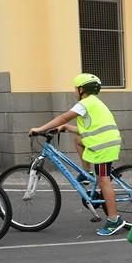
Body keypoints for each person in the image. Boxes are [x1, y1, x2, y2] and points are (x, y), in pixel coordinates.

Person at [28, 73, 126, 236]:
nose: (74, 90)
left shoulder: (85, 103)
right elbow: (87, 129)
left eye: (75, 87)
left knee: (103, 180)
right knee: (78, 141)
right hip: (102, 142)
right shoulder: (94, 103)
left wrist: (40, 129)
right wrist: (66, 127)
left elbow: (63, 117)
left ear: (82, 89)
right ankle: (86, 173)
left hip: (103, 146)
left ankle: (114, 219)